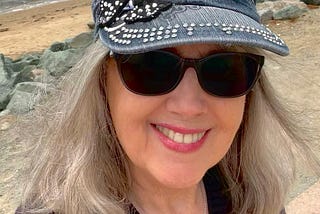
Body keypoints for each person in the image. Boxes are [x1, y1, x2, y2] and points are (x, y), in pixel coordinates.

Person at [17, 0, 319, 213]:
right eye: (152, 66)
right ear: (101, 82)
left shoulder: (253, 199)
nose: (188, 106)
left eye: (224, 69)